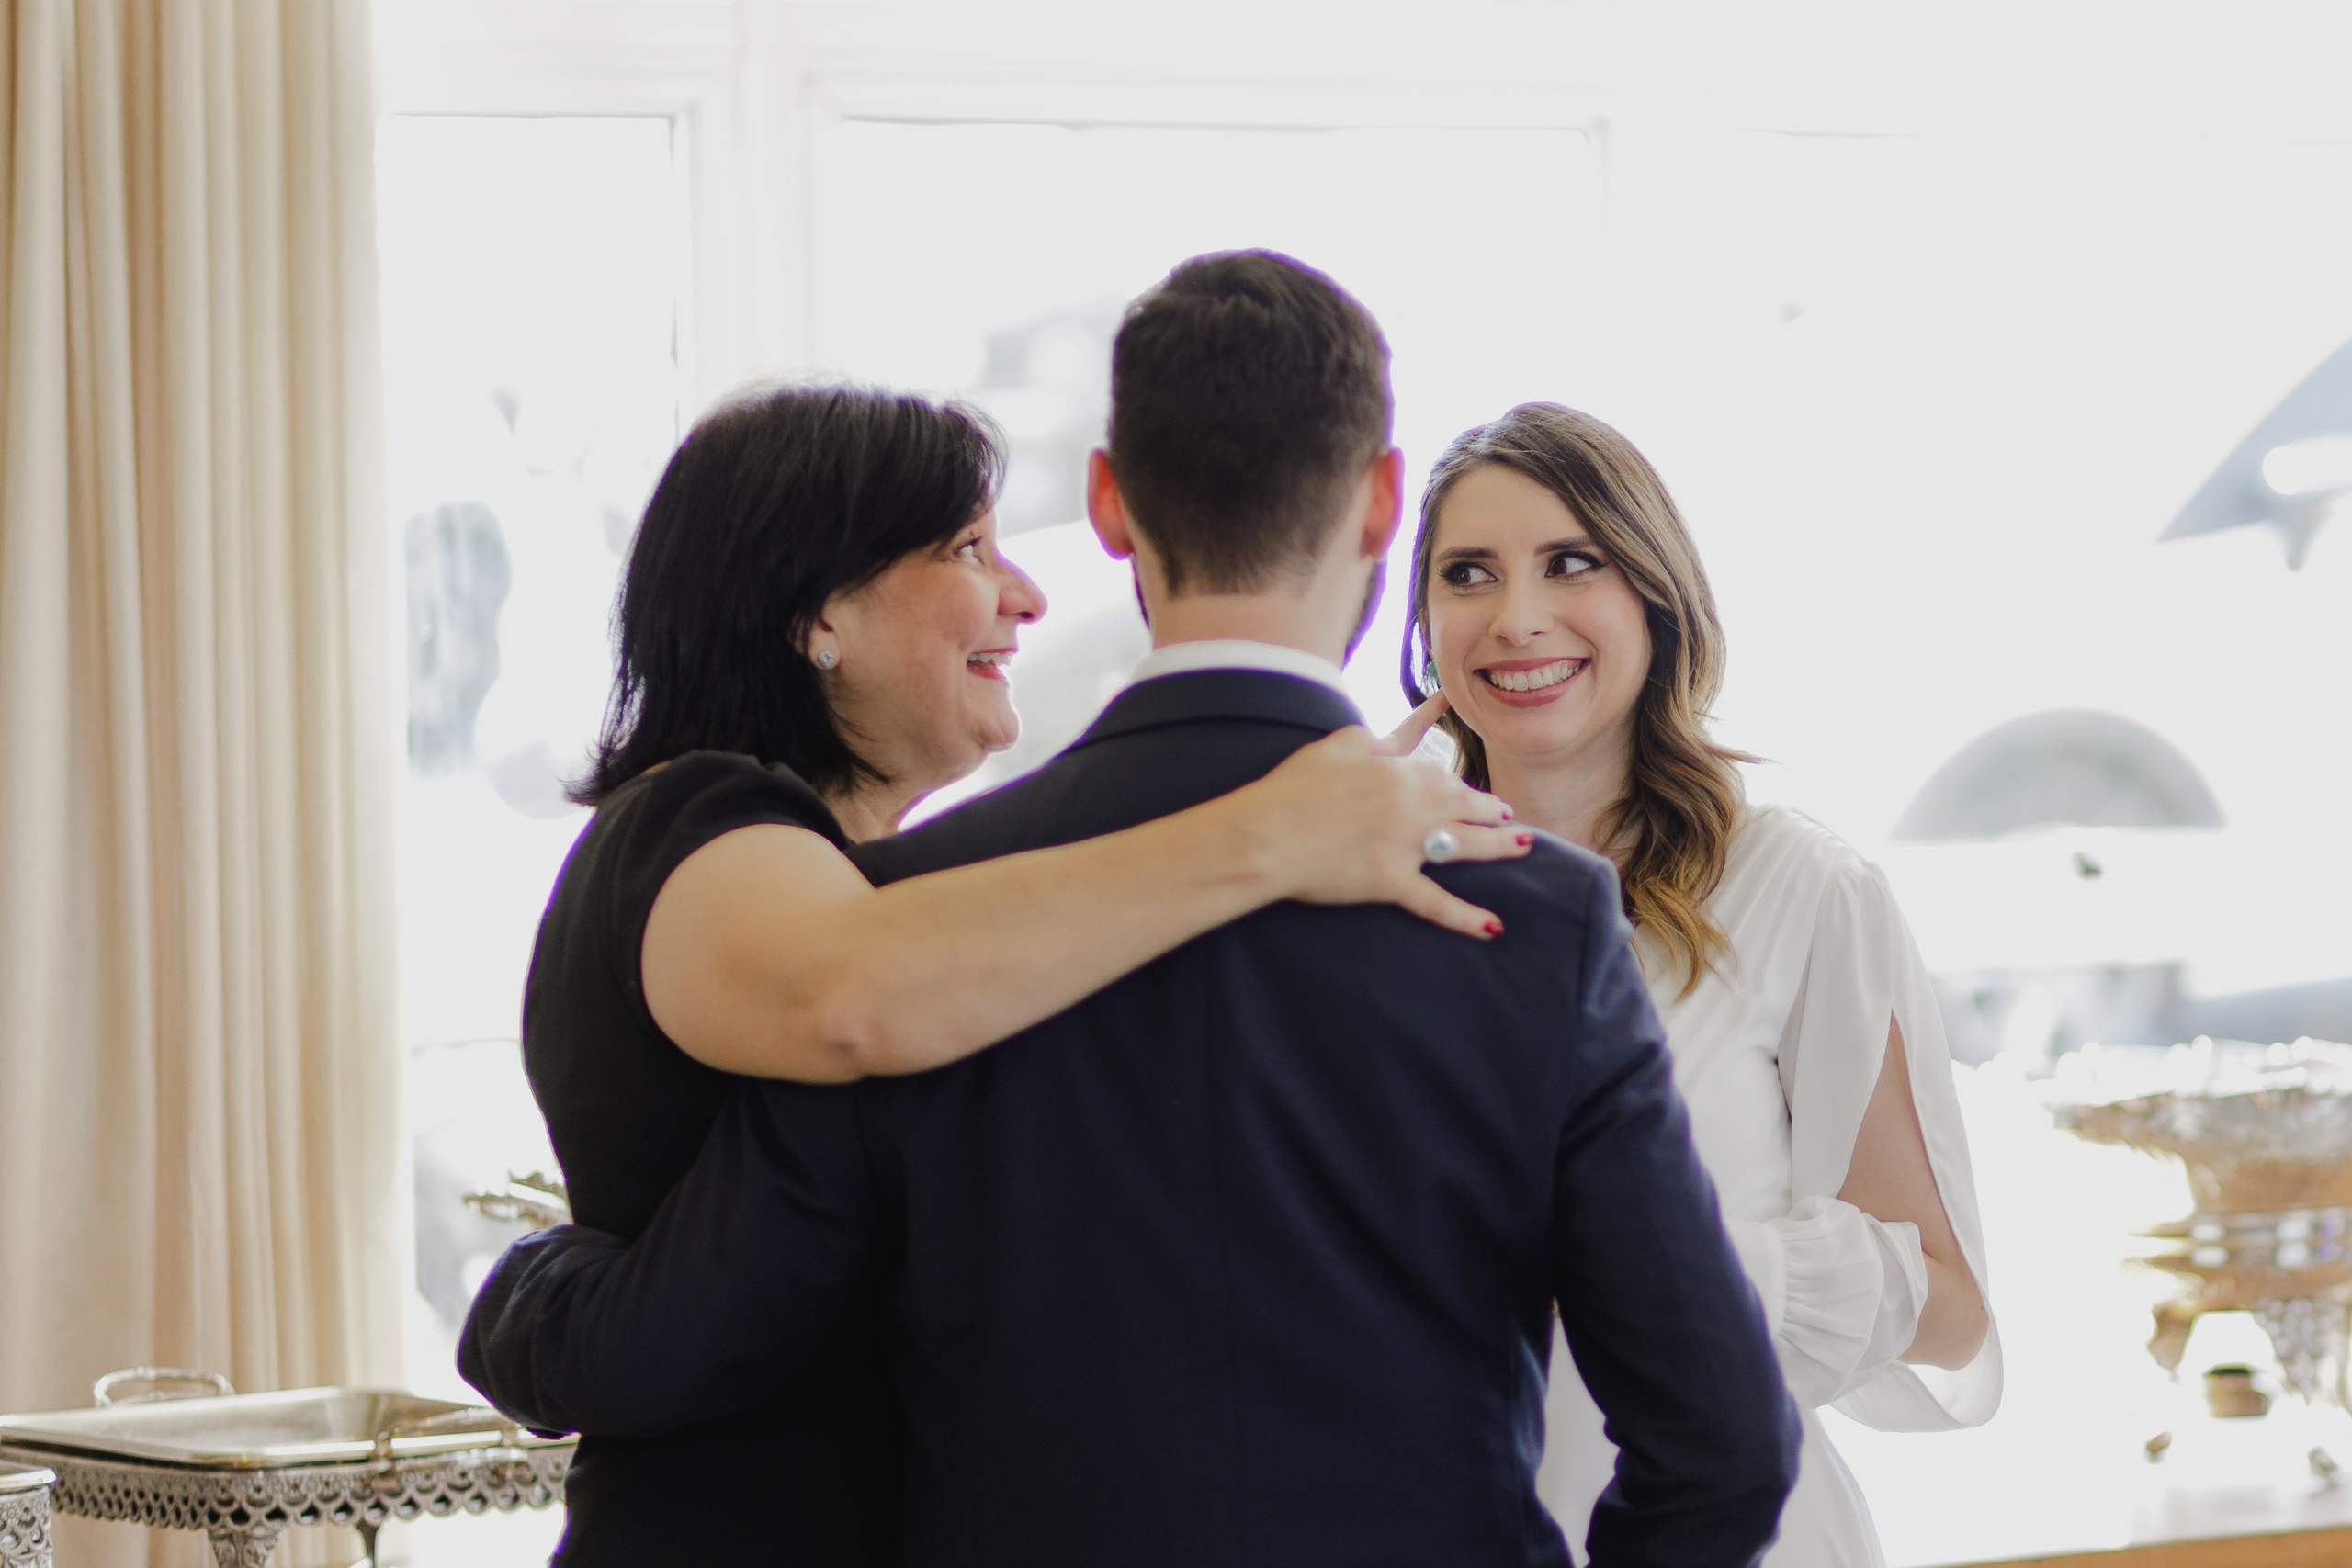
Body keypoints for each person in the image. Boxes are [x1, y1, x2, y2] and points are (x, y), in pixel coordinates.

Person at [462, 251, 1802, 1568]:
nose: (1020, 587)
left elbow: (702, 1321)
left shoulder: (906, 909)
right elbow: (1723, 1448)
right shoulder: (1541, 916)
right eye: (969, 546)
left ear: (1108, 503)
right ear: (1385, 504)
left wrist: (529, 1292)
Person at [516, 379, 1538, 1565]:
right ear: (816, 612)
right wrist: (1274, 829)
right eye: (967, 549)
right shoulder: (695, 820)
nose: (1028, 593)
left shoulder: (874, 884)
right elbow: (856, 997)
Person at [1398, 401, 2000, 1567]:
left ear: (1656, 596)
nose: (1516, 618)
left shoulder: (1802, 888)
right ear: (1424, 625)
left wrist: (1658, 1266)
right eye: (1467, 573)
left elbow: (1948, 1307)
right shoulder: (1379, 893)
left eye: (1570, 562)